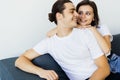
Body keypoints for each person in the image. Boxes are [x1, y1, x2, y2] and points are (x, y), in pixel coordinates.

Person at [15, 0, 110, 80]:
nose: (77, 15)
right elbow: (19, 61)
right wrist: (40, 71)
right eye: (72, 11)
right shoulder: (49, 43)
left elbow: (104, 68)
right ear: (59, 16)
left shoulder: (86, 33)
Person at [47, 0, 112, 56]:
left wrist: (93, 29)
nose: (83, 16)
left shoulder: (101, 27)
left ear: (94, 17)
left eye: (88, 13)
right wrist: (77, 26)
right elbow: (49, 34)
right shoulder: (74, 29)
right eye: (80, 13)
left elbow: (107, 51)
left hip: (112, 61)